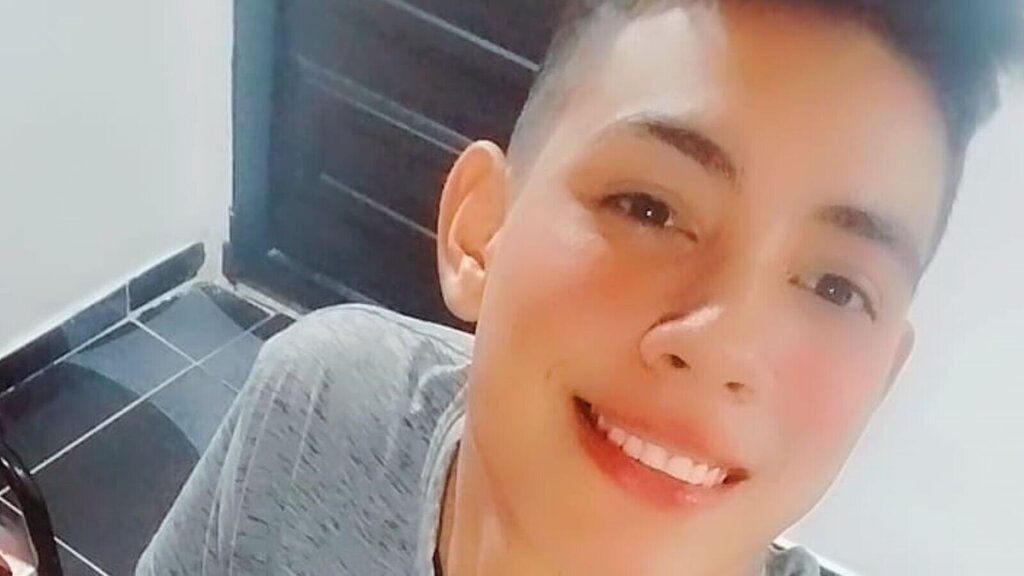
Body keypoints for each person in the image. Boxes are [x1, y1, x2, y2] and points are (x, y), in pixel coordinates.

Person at [136, 1, 1023, 574]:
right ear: (480, 231)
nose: (726, 345)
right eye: (649, 208)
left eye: (834, 288)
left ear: (883, 379)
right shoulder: (318, 406)